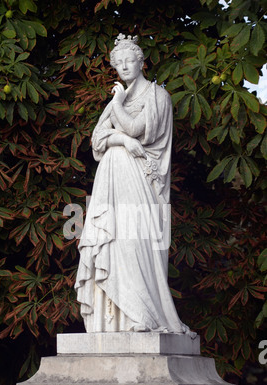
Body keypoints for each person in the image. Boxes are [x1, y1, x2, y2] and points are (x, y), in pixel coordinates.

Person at [75, 34, 194, 337]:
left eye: (130, 60)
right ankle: (125, 316)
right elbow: (98, 139)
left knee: (137, 245)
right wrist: (123, 141)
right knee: (115, 243)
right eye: (119, 63)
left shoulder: (157, 97)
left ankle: (147, 314)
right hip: (112, 183)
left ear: (142, 62)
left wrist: (118, 109)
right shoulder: (121, 100)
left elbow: (136, 128)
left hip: (143, 185)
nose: (124, 67)